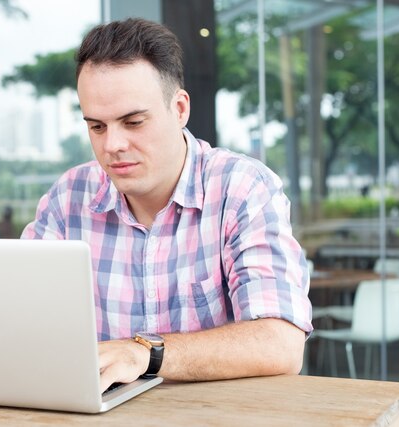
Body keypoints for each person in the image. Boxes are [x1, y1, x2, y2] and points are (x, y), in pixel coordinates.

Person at [22, 18, 312, 393]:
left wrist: (144, 353)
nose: (112, 145)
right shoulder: (68, 198)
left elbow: (281, 344)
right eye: (97, 127)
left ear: (179, 109)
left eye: (133, 121)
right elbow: (22, 323)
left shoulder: (241, 189)